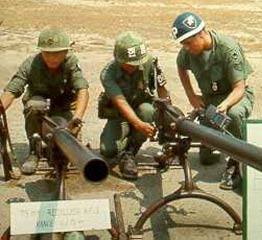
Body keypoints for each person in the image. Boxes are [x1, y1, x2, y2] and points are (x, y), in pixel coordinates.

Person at [171, 12, 255, 190]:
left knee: (232, 115)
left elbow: (239, 88)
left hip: (234, 97)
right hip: (210, 101)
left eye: (187, 42)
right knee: (207, 158)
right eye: (182, 44)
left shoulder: (227, 48)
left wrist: (225, 105)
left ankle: (236, 162)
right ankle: (221, 142)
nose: (185, 47)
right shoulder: (188, 51)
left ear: (201, 34)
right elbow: (180, 66)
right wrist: (191, 96)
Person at [0, 26, 89, 175]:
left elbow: (83, 90)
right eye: (47, 53)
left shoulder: (71, 63)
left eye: (57, 54)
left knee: (68, 145)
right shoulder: (31, 63)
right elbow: (12, 90)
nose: (52, 58)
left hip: (64, 107)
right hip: (39, 110)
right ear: (41, 51)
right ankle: (34, 151)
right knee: (34, 105)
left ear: (66, 52)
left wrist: (77, 118)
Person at [99, 31, 170, 180]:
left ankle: (129, 152)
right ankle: (125, 139)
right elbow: (120, 102)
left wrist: (168, 118)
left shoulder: (150, 62)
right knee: (108, 150)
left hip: (142, 109)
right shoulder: (108, 74)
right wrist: (138, 125)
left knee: (148, 110)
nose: (135, 67)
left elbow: (163, 91)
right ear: (118, 59)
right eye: (129, 64)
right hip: (120, 114)